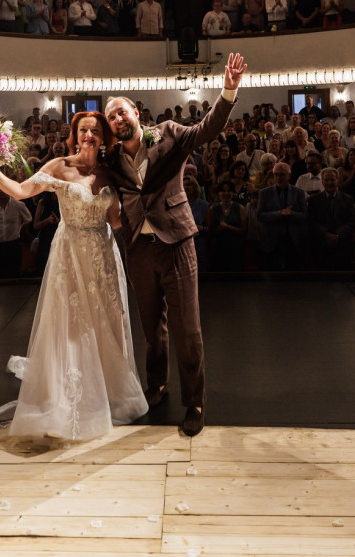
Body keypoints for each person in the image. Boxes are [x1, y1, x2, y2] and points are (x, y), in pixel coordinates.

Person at [0, 111, 148, 443]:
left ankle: (110, 390)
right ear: (75, 134)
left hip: (104, 254)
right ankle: (72, 393)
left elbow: (115, 219)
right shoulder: (59, 166)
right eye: (83, 130)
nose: (89, 135)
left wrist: (141, 243)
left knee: (106, 320)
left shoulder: (109, 172)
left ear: (103, 137)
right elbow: (22, 191)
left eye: (95, 131)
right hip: (70, 252)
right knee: (73, 324)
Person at [103, 53, 246, 437]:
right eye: (110, 116)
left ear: (136, 112)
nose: (117, 119)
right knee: (152, 328)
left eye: (122, 112)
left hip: (177, 243)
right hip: (138, 249)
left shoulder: (166, 133)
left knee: (187, 329)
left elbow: (206, 131)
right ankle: (157, 385)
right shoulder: (111, 159)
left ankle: (194, 402)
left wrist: (227, 90)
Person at [207, 180, 246, 271]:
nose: (226, 193)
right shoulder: (213, 208)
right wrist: (219, 229)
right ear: (219, 193)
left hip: (236, 247)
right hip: (219, 248)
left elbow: (243, 230)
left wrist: (227, 227)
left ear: (233, 193)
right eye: (223, 191)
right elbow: (211, 230)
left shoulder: (240, 208)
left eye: (229, 191)